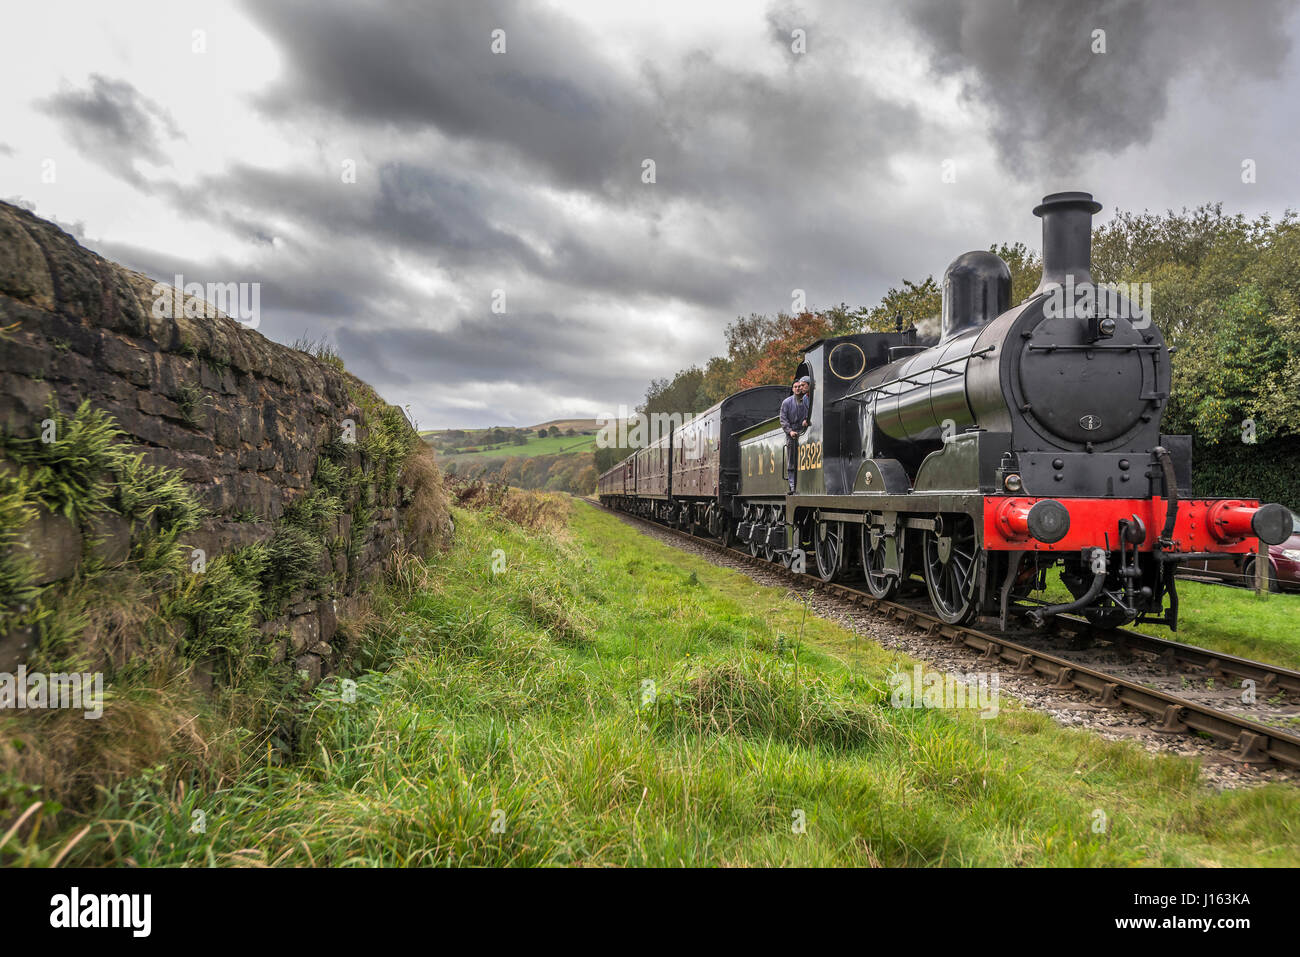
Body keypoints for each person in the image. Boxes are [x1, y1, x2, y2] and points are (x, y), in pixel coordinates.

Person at [779, 377, 811, 494]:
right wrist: (790, 431)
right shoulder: (786, 402)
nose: (798, 389)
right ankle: (792, 486)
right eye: (796, 387)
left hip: (804, 432)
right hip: (792, 434)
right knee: (791, 461)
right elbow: (783, 419)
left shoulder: (806, 401)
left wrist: (806, 420)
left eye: (799, 387)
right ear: (793, 389)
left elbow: (809, 413)